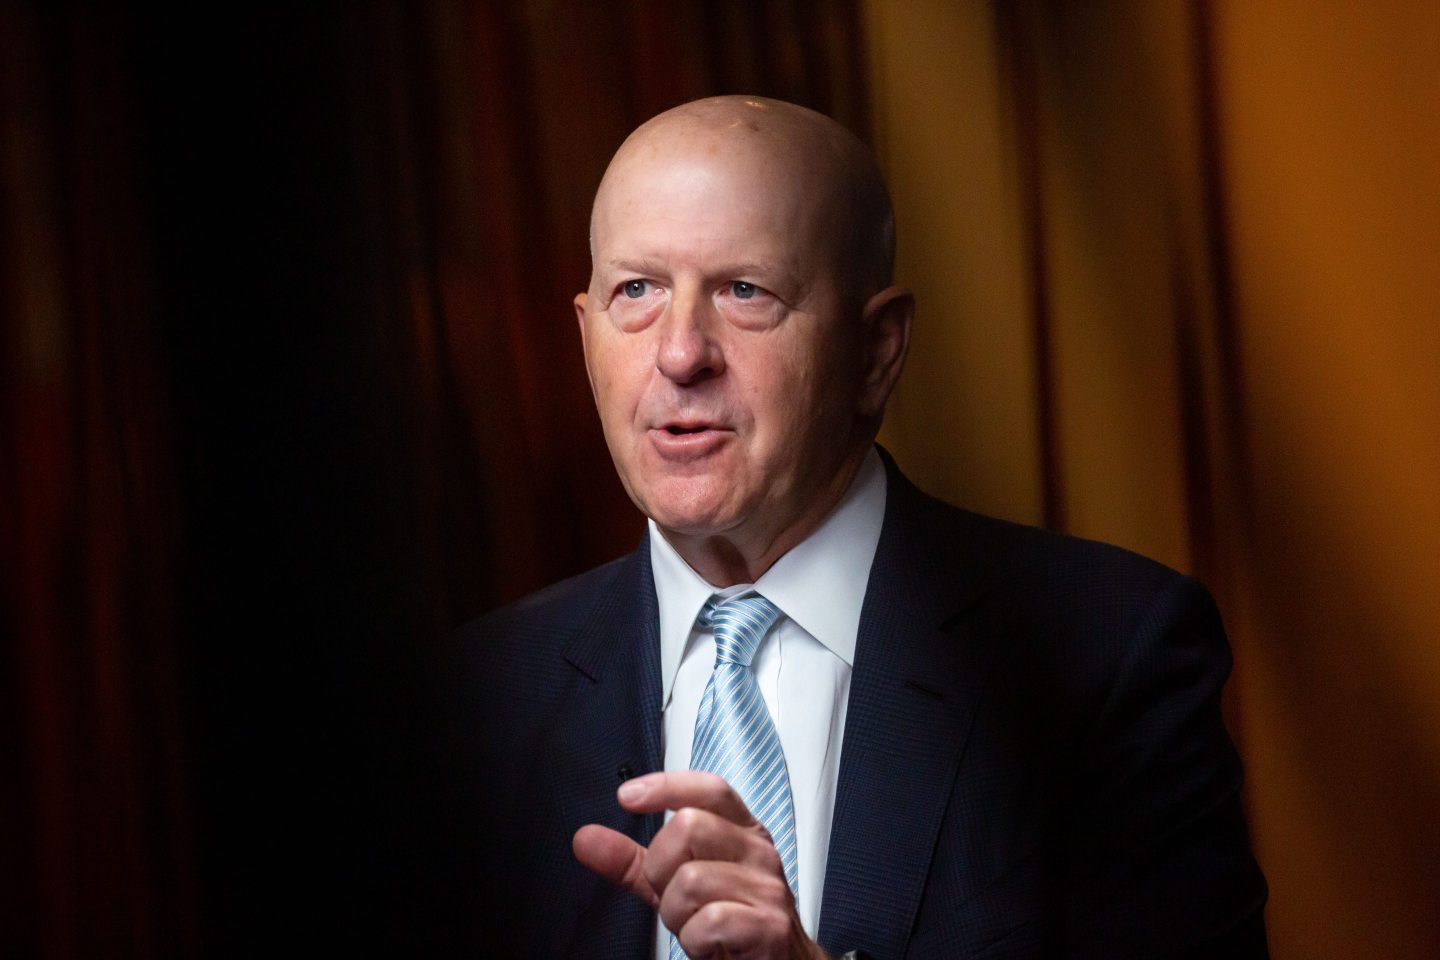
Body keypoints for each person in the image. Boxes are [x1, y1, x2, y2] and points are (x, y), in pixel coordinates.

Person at [434, 96, 1268, 959]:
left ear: (877, 351)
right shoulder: (470, 704)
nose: (680, 353)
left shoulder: (1104, 657)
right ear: (586, 337)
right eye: (637, 291)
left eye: (745, 291)